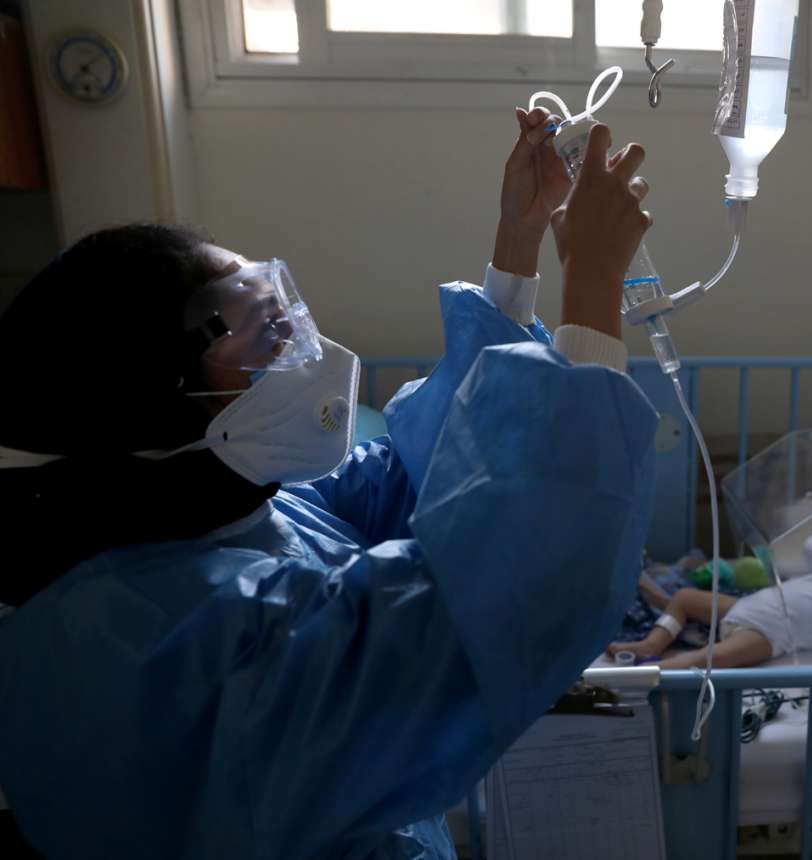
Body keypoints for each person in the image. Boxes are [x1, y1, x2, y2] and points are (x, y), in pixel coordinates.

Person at [0, 111, 658, 859]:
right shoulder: (150, 644)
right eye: (262, 332)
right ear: (151, 401)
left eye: (281, 312)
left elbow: (424, 474)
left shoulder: (223, 514)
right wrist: (594, 288)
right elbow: (494, 598)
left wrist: (519, 244)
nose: (300, 347)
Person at [608, 519, 812, 669]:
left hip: (769, 635)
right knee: (684, 598)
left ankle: (657, 670)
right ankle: (651, 645)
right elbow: (811, 544)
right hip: (747, 606)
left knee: (711, 659)